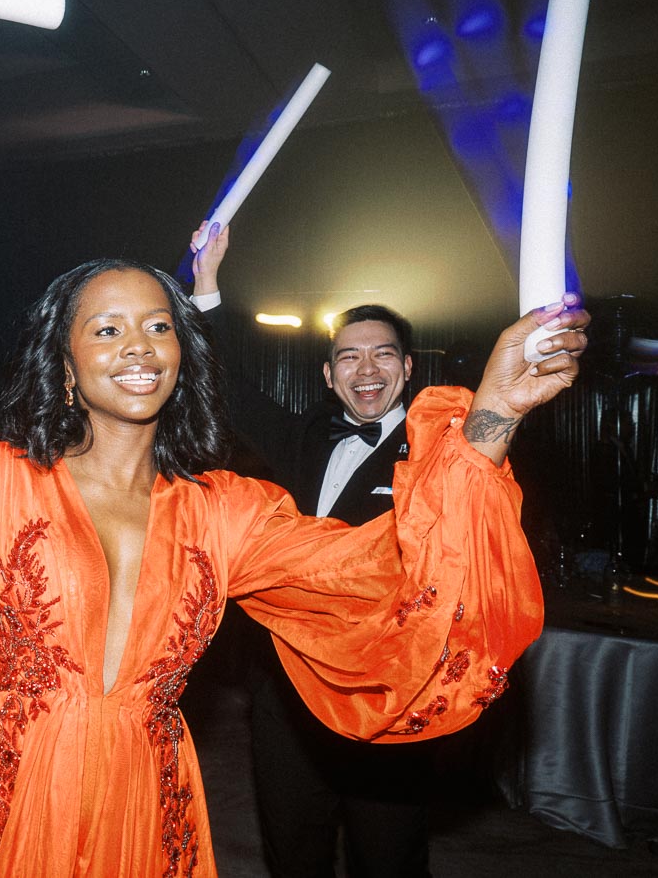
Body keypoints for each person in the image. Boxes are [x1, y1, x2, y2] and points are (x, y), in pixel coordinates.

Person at [0, 252, 589, 876]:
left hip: (144, 798)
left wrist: (492, 415)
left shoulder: (226, 510)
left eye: (158, 326)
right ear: (64, 366)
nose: (138, 345)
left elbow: (385, 575)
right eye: (106, 330)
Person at [190, 223, 436, 877]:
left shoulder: (438, 456)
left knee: (388, 856)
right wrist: (208, 284)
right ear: (328, 375)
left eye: (383, 355)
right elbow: (226, 388)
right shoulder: (303, 438)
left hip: (384, 691)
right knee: (293, 848)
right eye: (350, 358)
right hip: (287, 692)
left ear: (407, 369)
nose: (367, 369)